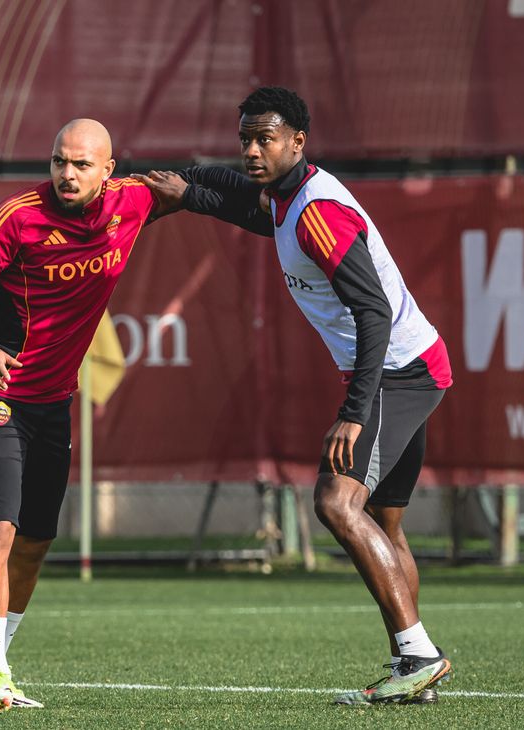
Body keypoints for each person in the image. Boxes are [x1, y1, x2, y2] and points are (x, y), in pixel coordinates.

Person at [136, 87, 454, 705]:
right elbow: (253, 210)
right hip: (411, 366)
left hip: (398, 370)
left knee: (335, 504)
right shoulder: (289, 201)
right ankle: (413, 668)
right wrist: (188, 193)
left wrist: (353, 415)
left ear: (298, 142)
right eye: (246, 139)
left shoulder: (317, 213)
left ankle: (418, 653)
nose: (253, 151)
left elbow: (375, 313)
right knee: (384, 524)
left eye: (266, 138)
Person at [0, 118, 157, 712]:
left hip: (55, 402)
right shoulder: (20, 215)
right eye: (59, 161)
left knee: (36, 541)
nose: (67, 173)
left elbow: (193, 189)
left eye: (82, 164)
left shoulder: (129, 203)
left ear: (108, 170)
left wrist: (267, 200)